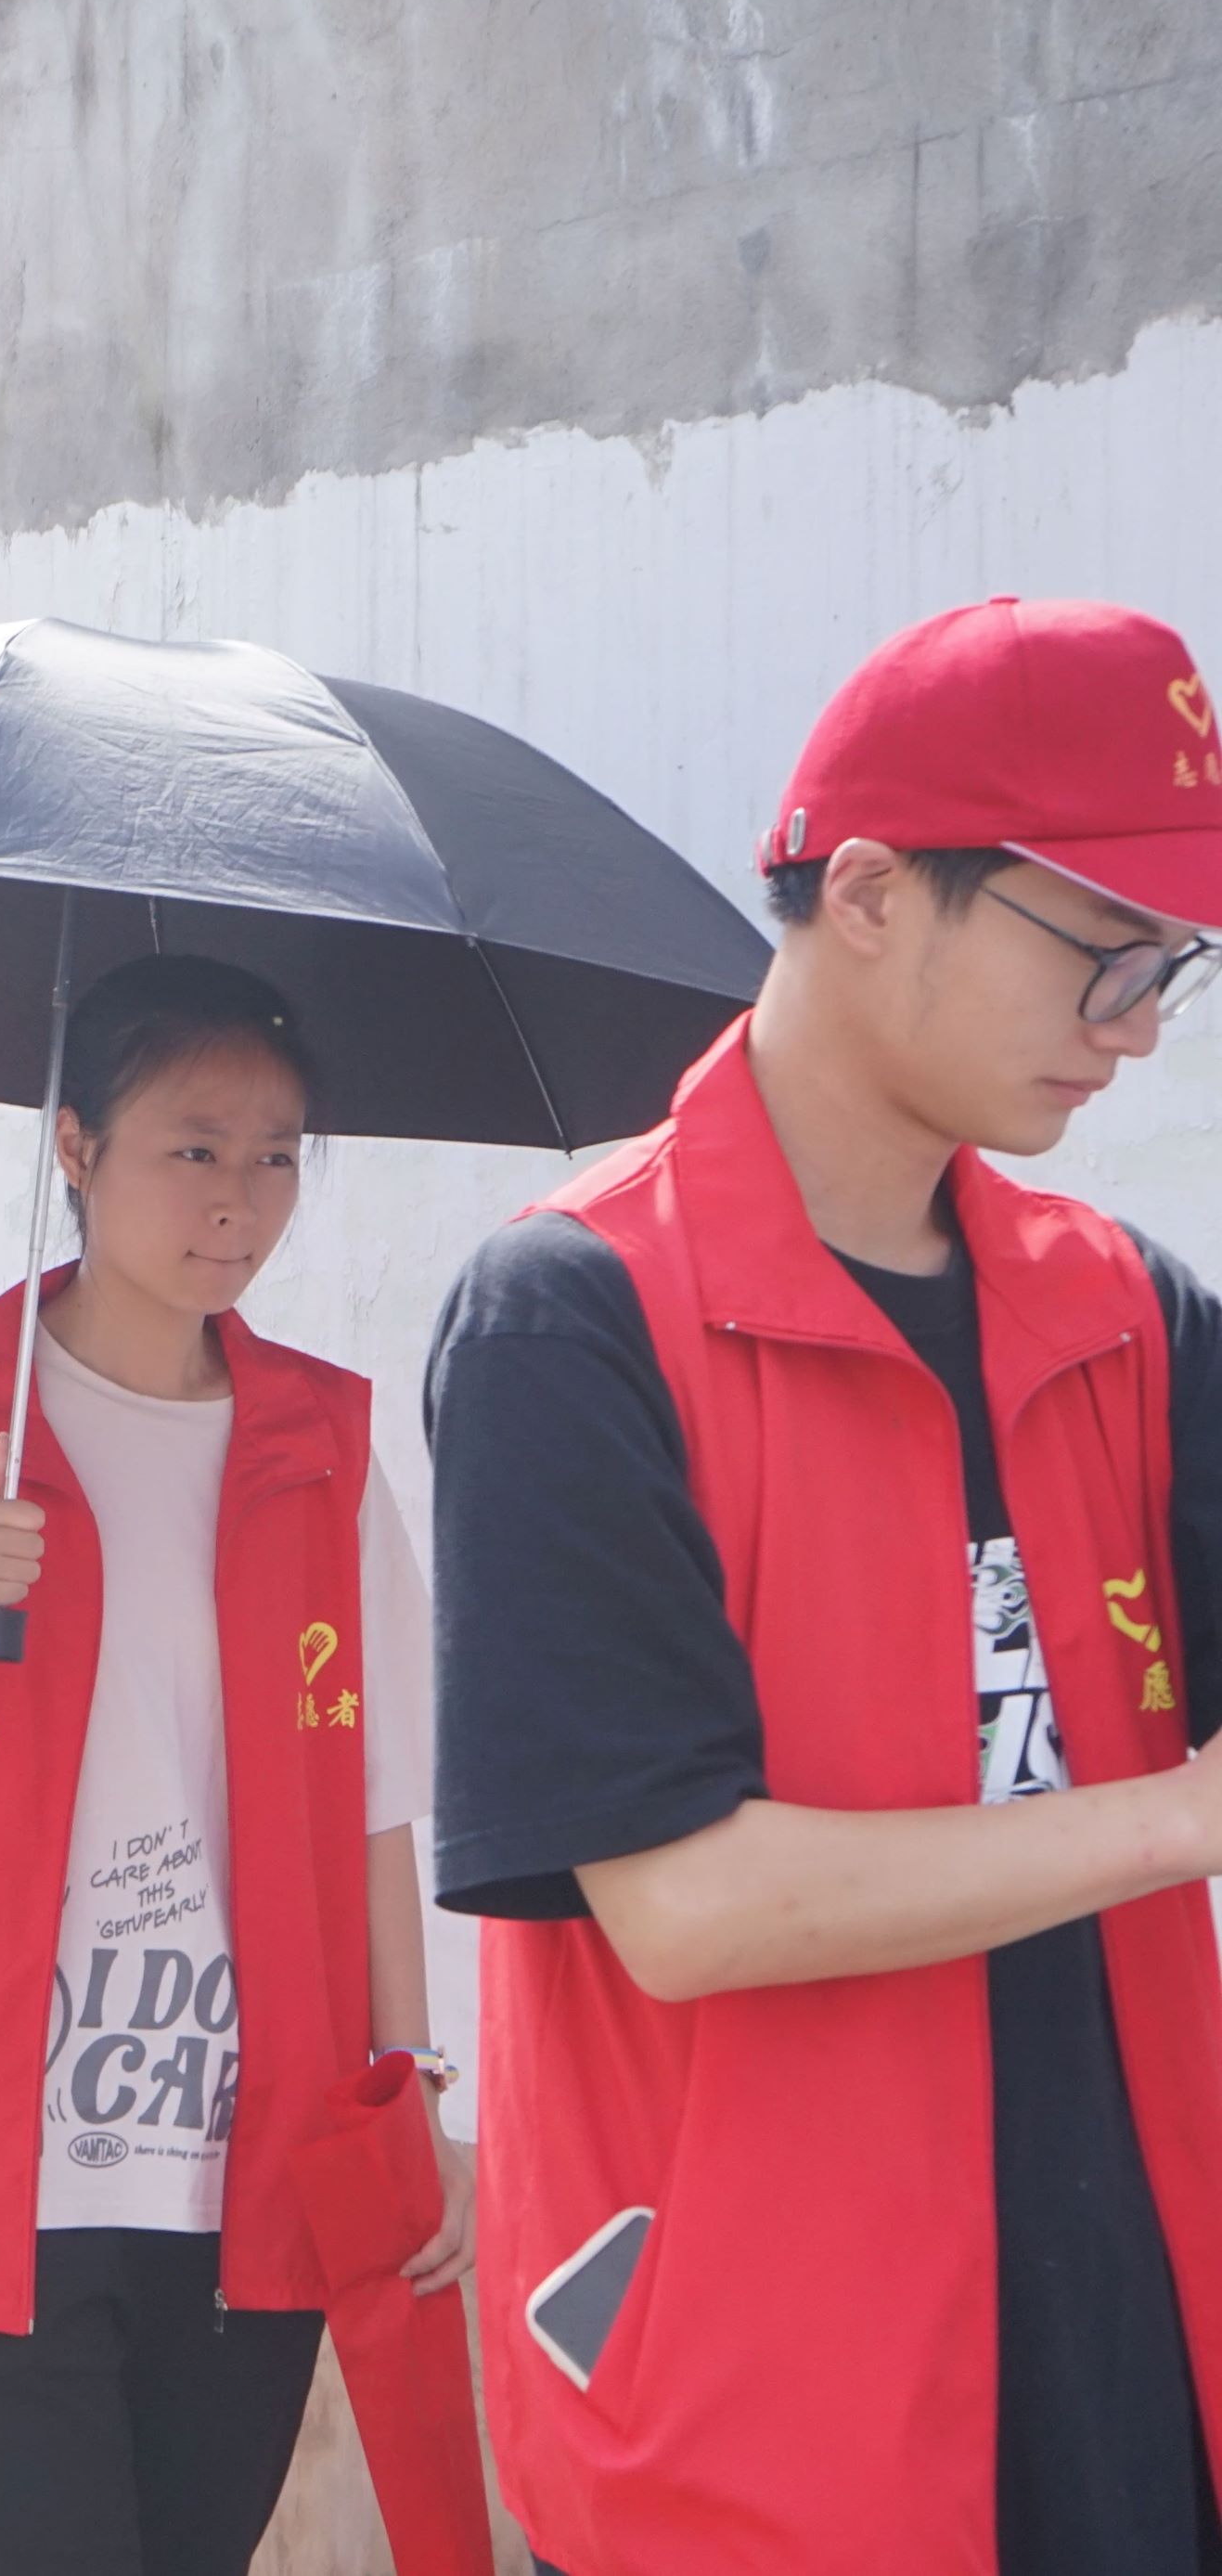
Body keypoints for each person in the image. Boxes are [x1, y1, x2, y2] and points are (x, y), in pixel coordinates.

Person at [428, 598, 1222, 2573]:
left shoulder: (1120, 1306)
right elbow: (686, 1901)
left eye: (1173, 968)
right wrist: (1182, 1811)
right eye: (1100, 953)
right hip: (757, 2403)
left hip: (1122, 2339)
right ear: (869, 892)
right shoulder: (578, 1312)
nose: (1131, 1024)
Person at [0, 954, 467, 2576]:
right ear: (74, 1148)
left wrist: (413, 2084)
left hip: (252, 2162)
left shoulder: (322, 1449)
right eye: (194, 1146)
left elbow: (377, 1798)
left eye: (276, 1153)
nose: (242, 1198)